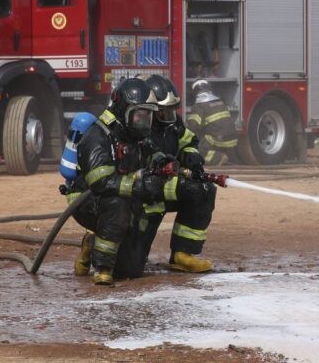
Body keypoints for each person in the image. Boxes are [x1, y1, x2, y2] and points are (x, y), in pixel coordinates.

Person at [68, 78, 166, 285]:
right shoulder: (98, 136)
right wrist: (140, 185)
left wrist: (164, 162)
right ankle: (103, 268)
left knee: (132, 270)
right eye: (140, 116)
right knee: (117, 202)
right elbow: (101, 183)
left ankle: (94, 243)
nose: (144, 122)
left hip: (120, 199)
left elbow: (152, 153)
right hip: (88, 201)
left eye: (148, 116)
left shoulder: (133, 134)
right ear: (123, 111)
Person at [143, 75, 219, 274]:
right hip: (142, 194)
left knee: (203, 190)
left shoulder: (173, 123)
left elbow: (189, 141)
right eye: (163, 111)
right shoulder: (139, 125)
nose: (169, 115)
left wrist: (191, 155)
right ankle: (92, 244)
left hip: (165, 187)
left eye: (171, 109)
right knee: (131, 264)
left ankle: (183, 254)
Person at [185, 80, 239, 165]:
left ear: (195, 92)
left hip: (218, 139)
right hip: (232, 138)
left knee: (192, 148)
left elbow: (193, 127)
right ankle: (220, 155)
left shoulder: (199, 106)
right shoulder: (219, 101)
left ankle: (217, 158)